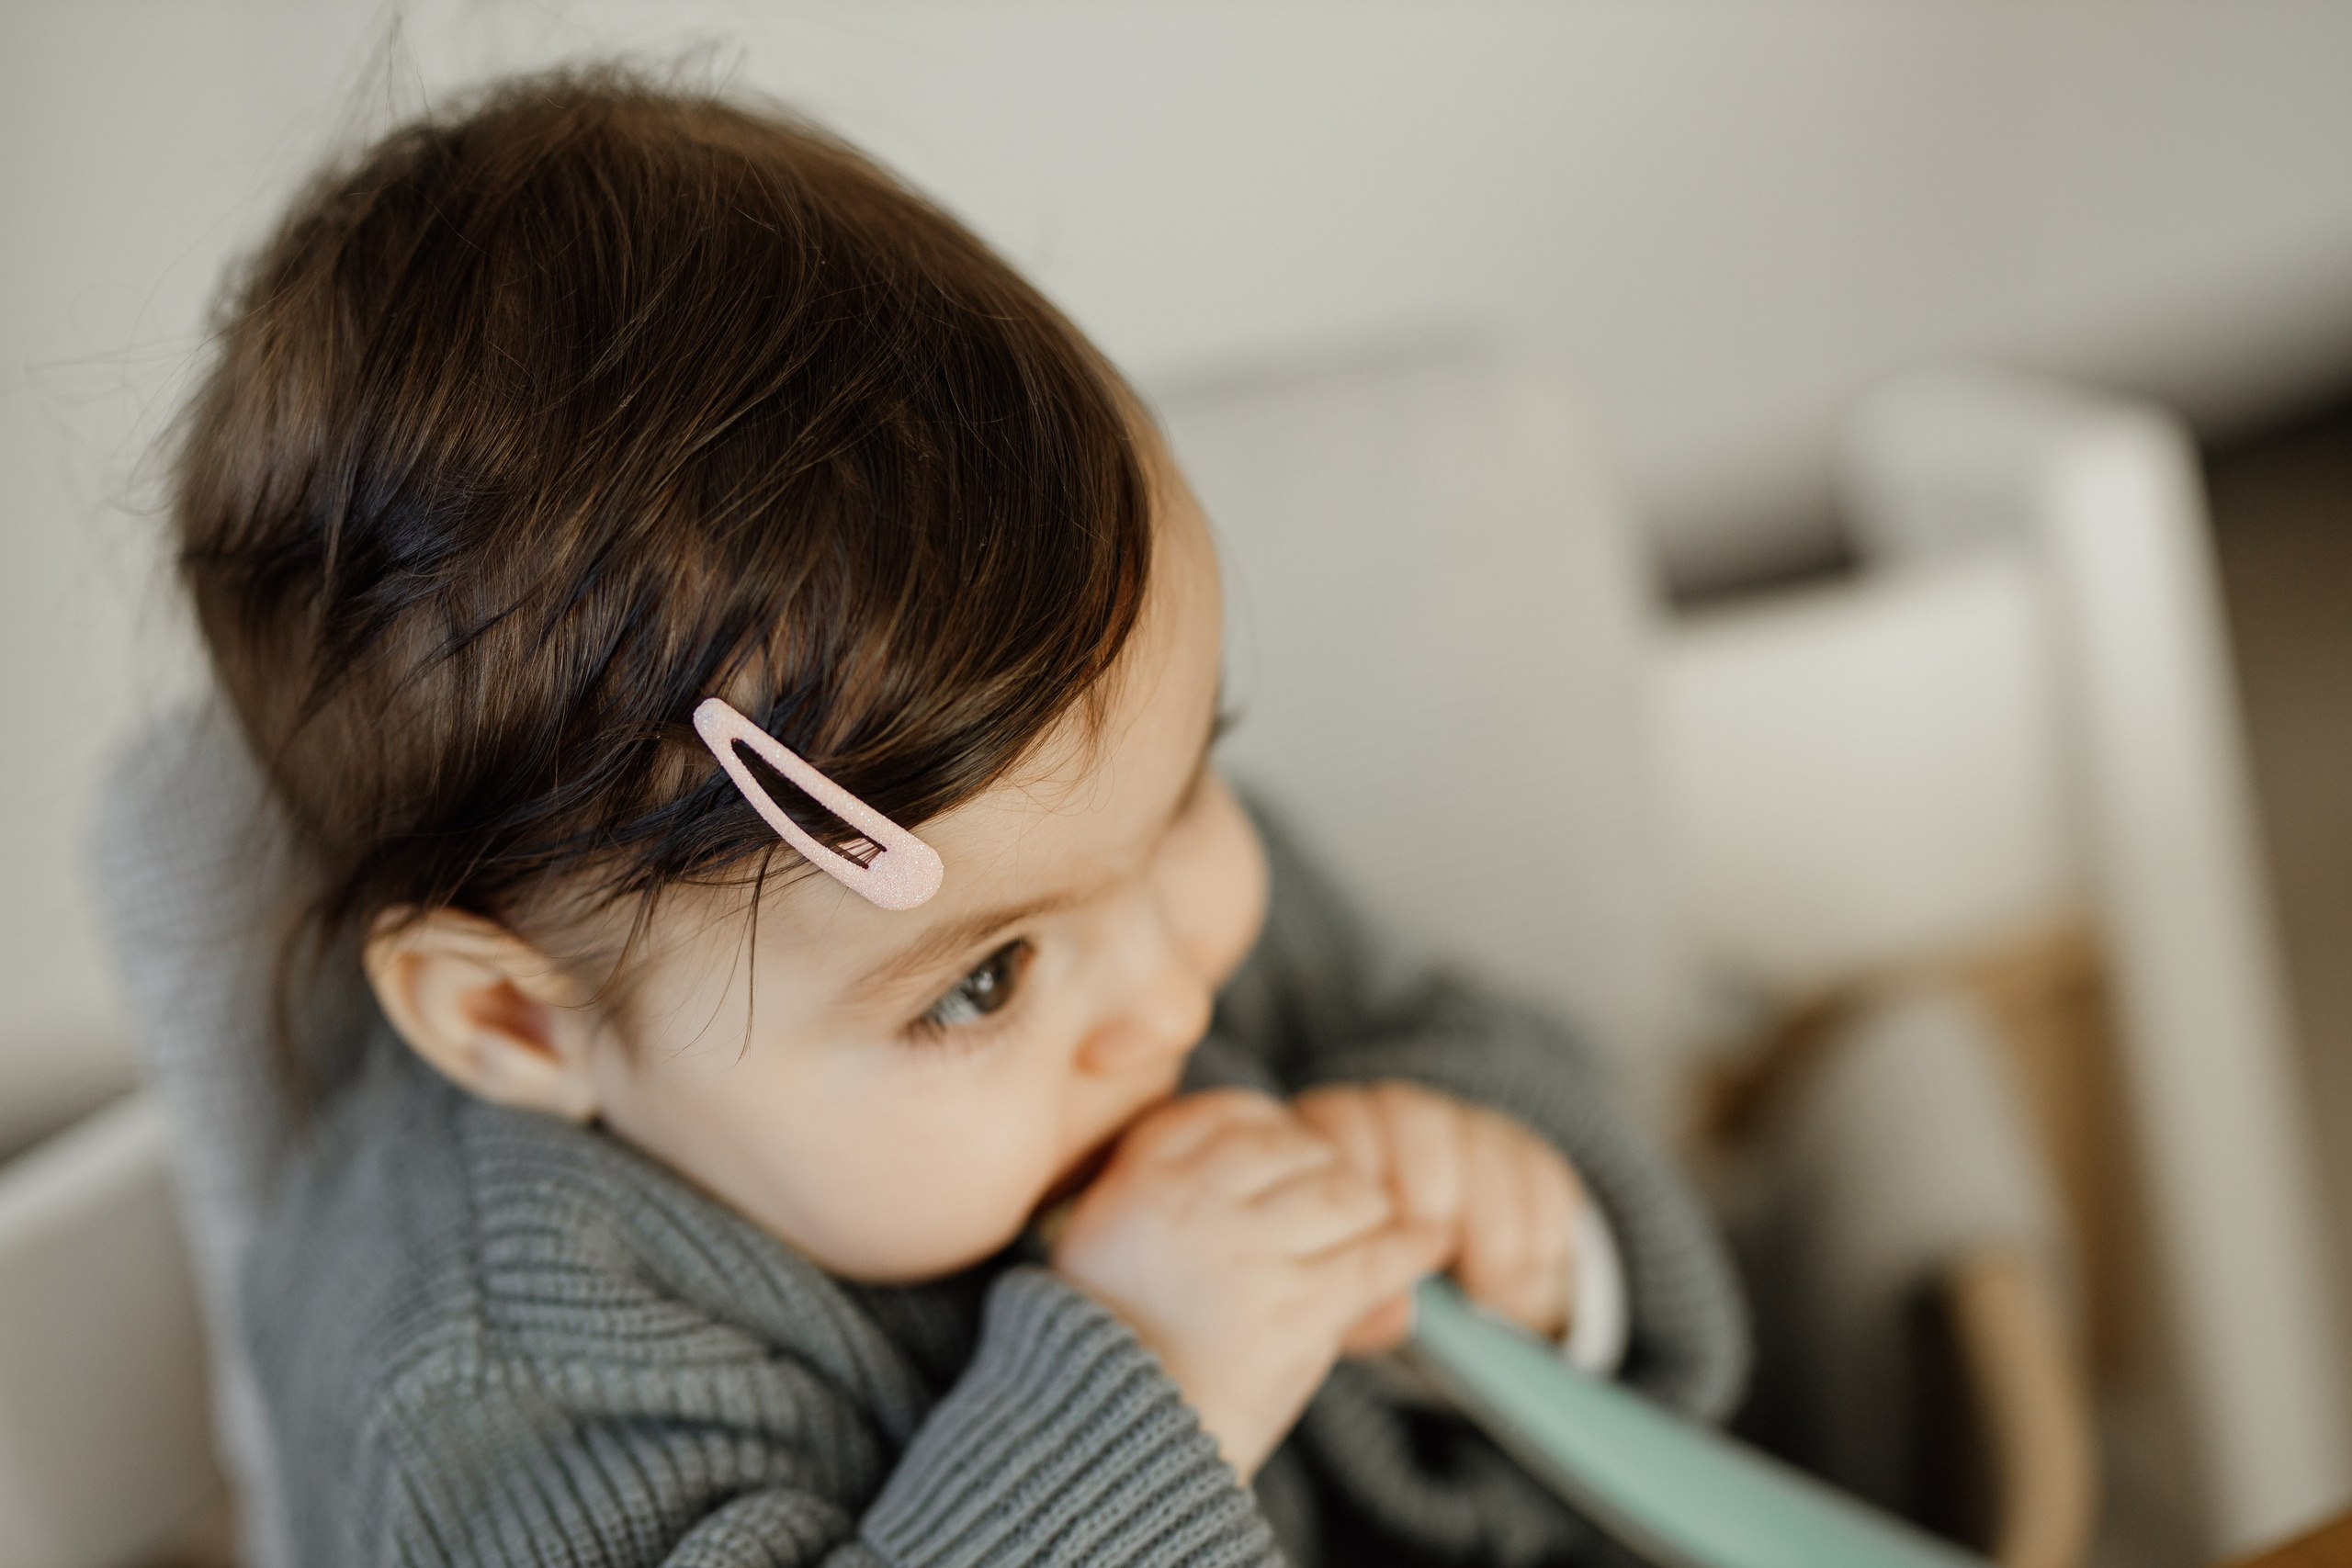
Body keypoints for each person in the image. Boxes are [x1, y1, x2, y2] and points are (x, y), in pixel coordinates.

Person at [168, 67, 1746, 1566]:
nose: (1170, 1000)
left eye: (1187, 792)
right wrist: (1156, 1395)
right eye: (981, 984)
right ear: (519, 1019)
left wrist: (1522, 1231)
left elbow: (1483, 1058)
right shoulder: (480, 1377)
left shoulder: (1084, 872)